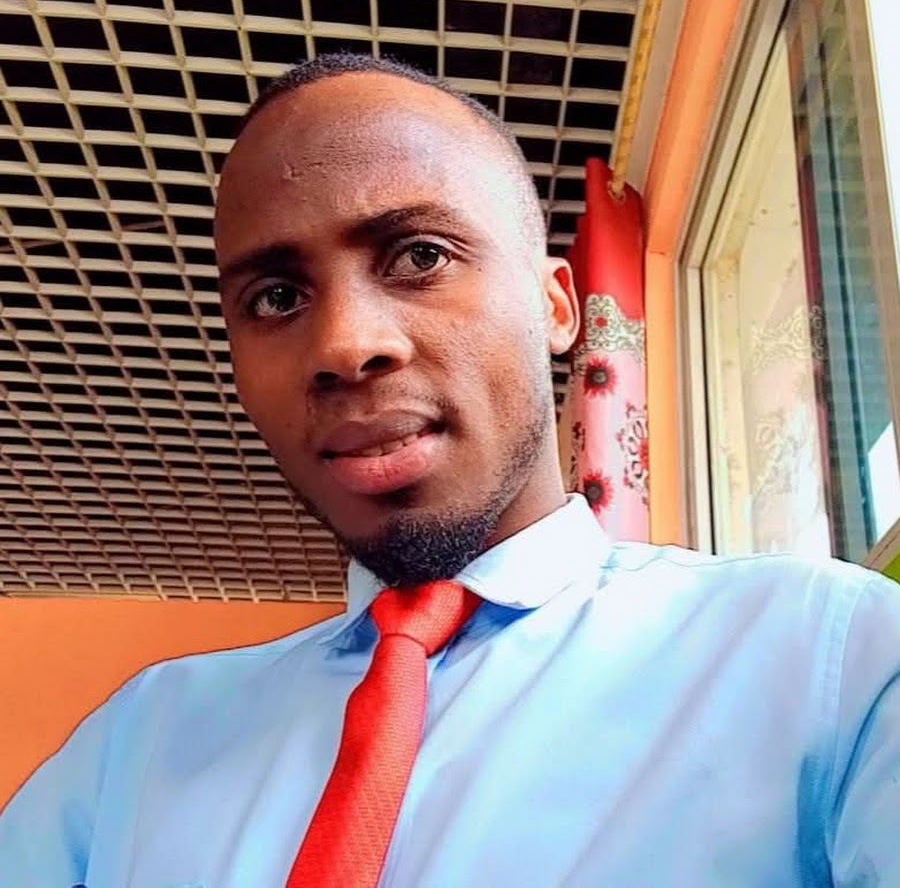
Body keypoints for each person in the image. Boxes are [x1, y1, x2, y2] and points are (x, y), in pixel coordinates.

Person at [1, 53, 898, 888]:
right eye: (276, 297)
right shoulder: (132, 752)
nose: (345, 344)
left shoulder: (832, 662)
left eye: (420, 256)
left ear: (556, 306)